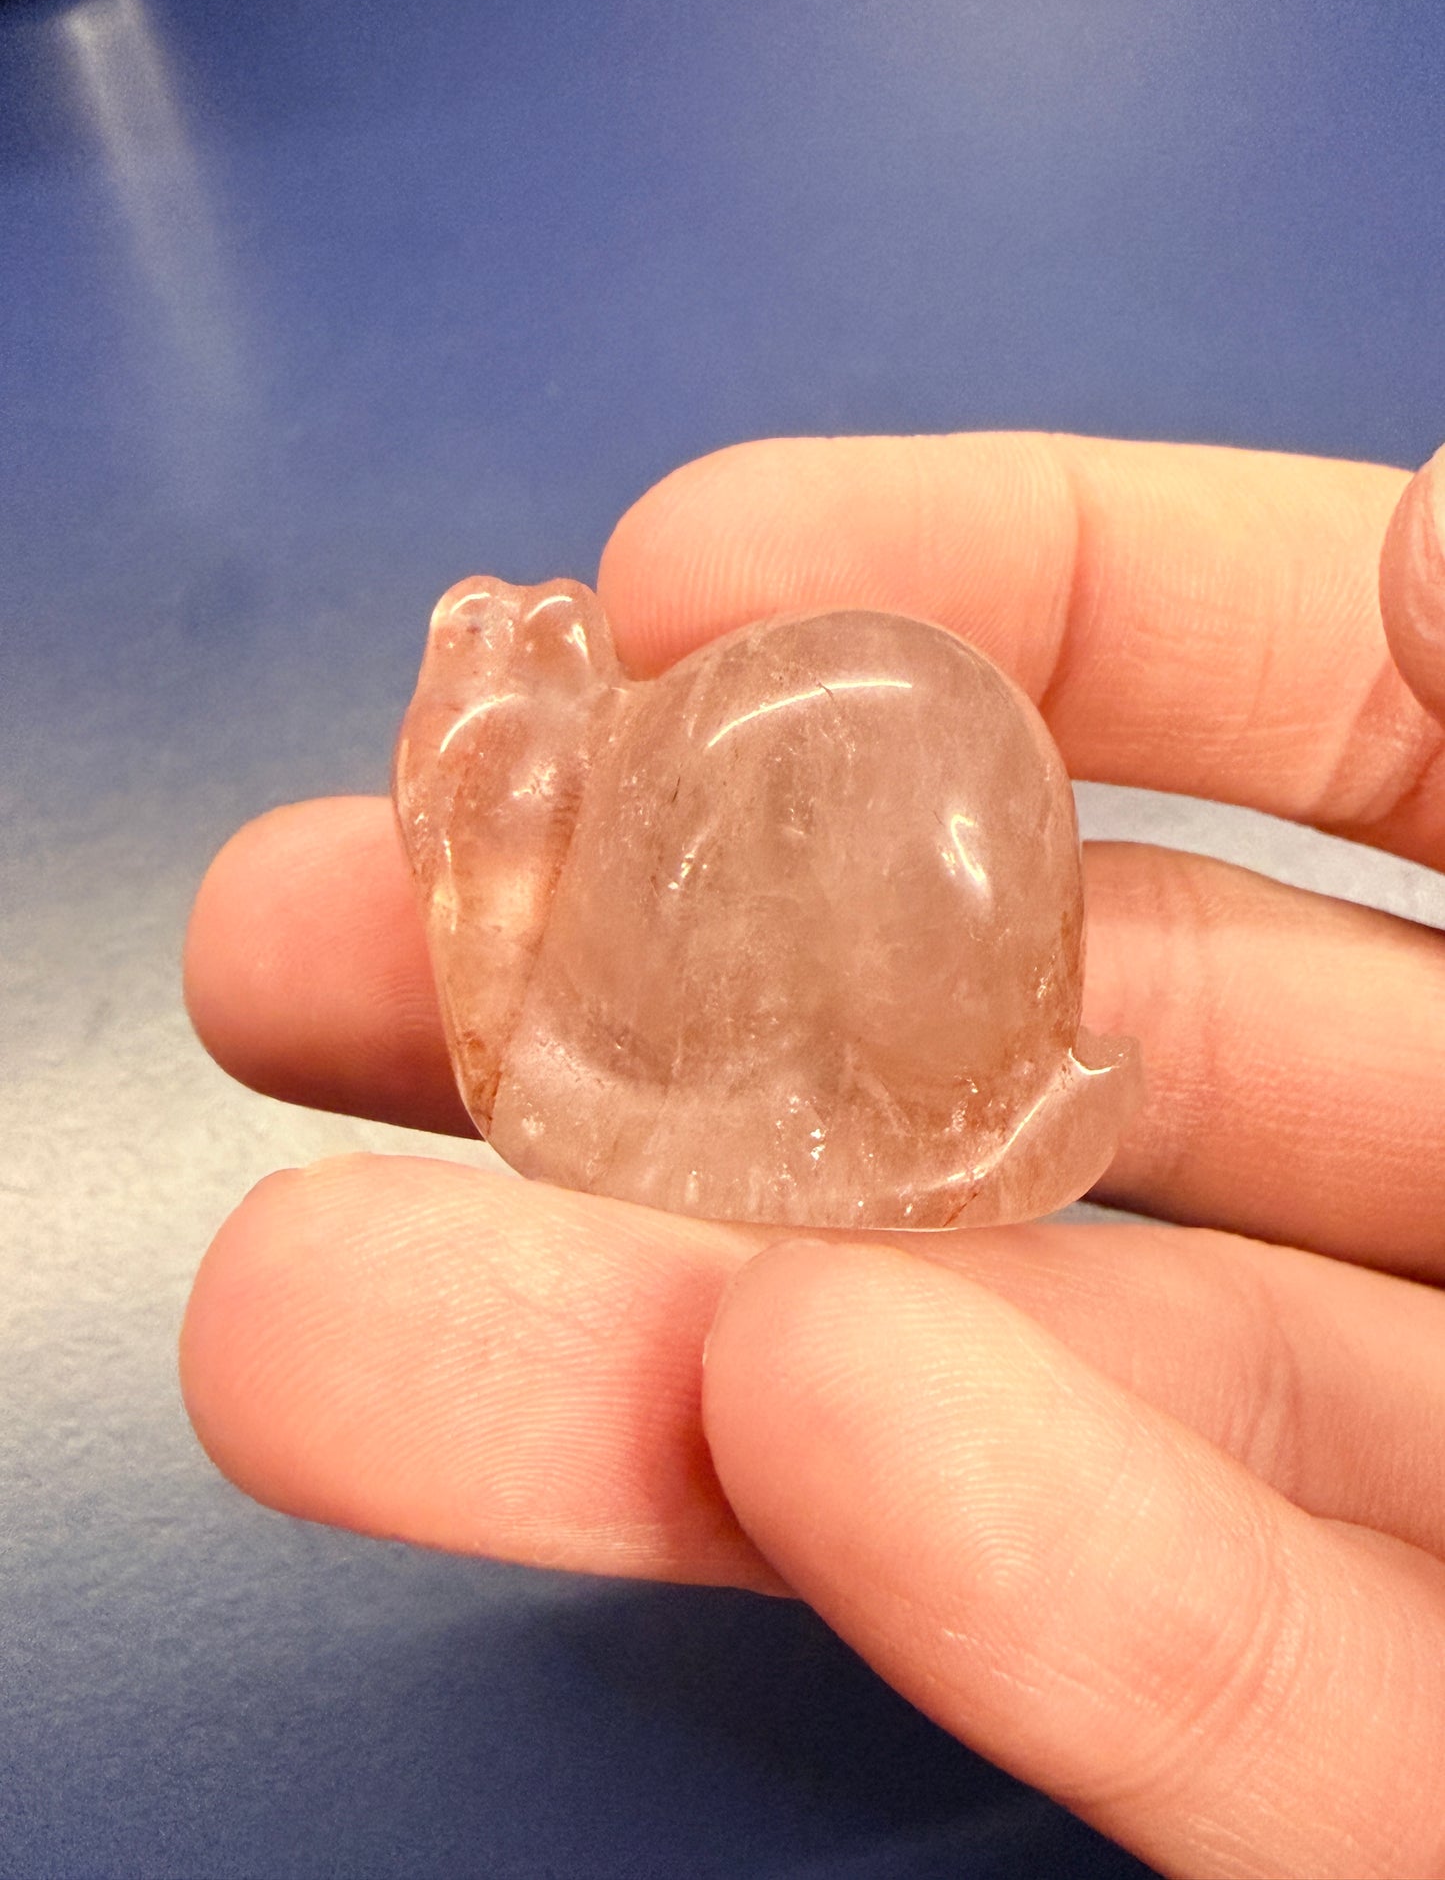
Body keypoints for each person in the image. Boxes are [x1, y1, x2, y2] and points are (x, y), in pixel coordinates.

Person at [180, 434, 1445, 1880]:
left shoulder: (640, 822)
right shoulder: (646, 803)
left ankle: (931, 1093)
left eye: (467, 823)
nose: (455, 876)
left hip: (942, 1019)